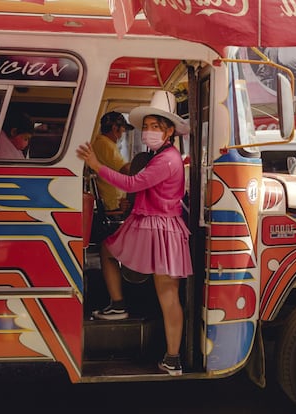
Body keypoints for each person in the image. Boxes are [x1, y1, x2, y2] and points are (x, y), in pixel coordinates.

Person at [77, 91, 193, 376]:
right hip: (157, 226)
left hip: (158, 228)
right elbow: (145, 189)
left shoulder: (166, 159)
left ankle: (172, 356)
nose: (149, 131)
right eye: (147, 125)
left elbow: (132, 183)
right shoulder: (163, 155)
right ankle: (169, 354)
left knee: (167, 293)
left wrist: (96, 166)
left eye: (156, 126)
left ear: (169, 131)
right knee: (112, 253)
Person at [92, 111, 134, 213]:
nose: (122, 134)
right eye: (123, 130)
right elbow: (126, 170)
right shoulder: (106, 145)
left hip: (115, 202)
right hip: (113, 204)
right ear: (115, 128)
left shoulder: (102, 143)